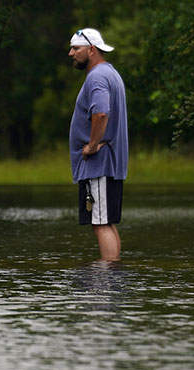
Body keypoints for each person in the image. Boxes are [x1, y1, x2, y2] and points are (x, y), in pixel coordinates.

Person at [68, 28, 128, 261]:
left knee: (100, 223)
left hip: (99, 164)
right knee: (105, 221)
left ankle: (105, 279)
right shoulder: (109, 73)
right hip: (107, 164)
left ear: (91, 50)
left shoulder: (97, 77)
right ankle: (111, 276)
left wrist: (92, 146)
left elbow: (101, 113)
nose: (71, 53)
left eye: (76, 48)